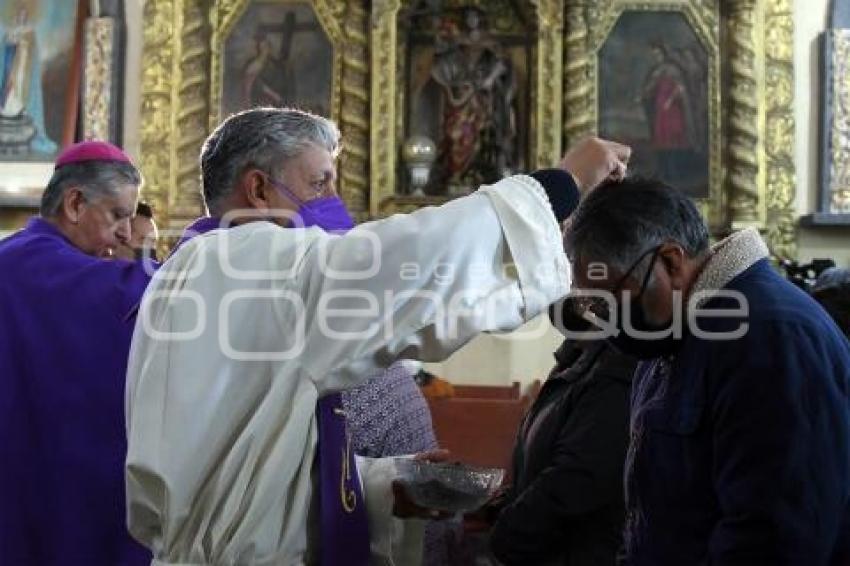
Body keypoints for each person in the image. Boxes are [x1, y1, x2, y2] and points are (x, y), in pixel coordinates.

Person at [125, 106, 630, 565]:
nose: (332, 202)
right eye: (319, 182)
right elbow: (417, 257)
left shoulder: (197, 267)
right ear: (258, 190)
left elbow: (255, 461)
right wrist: (559, 185)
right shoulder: (248, 264)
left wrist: (385, 486)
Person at [564, 177, 850, 564]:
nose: (607, 319)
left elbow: (772, 536)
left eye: (611, 299)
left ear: (669, 260)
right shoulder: (671, 333)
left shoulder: (770, 334)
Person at [0, 141, 152, 564]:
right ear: (74, 204)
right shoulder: (74, 276)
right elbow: (169, 296)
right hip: (69, 494)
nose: (126, 231)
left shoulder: (9, 257)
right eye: (118, 215)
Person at [478, 296, 636, 565]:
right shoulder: (575, 357)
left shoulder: (614, 370)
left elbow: (579, 477)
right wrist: (506, 503)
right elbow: (546, 455)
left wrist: (505, 535)